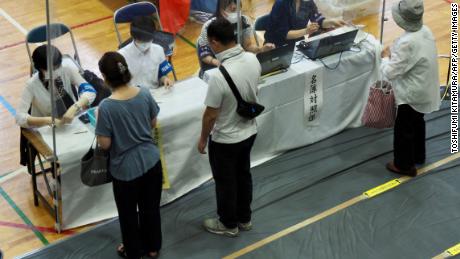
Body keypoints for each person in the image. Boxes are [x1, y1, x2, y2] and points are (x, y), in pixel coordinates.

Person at [197, 18, 261, 237]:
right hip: (249, 131)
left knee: (226, 183)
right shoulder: (253, 59)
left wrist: (203, 138)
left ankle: (228, 223)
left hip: (226, 140)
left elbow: (210, 115)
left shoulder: (218, 77)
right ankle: (245, 218)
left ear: (215, 43)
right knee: (244, 175)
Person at [96, 52, 163, 259]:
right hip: (152, 162)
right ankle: (152, 247)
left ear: (105, 78)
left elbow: (105, 144)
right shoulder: (143, 93)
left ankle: (133, 251)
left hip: (126, 171)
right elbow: (153, 123)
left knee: (128, 215)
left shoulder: (106, 107)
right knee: (150, 209)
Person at [382, 0, 440, 176]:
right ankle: (418, 155)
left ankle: (404, 165)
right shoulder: (426, 31)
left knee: (404, 128)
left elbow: (391, 73)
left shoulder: (407, 42)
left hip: (412, 93)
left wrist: (384, 58)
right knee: (418, 122)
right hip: (426, 88)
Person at [15, 44, 96, 128]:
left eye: (58, 66)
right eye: (52, 69)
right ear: (41, 68)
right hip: (48, 128)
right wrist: (47, 120)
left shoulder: (67, 69)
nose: (57, 71)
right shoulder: (31, 85)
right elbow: (19, 117)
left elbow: (90, 91)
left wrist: (75, 107)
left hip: (73, 121)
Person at [196, 0, 274, 78]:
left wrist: (261, 49)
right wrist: (218, 63)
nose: (233, 6)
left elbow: (248, 45)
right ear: (221, 8)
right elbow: (204, 54)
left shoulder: (244, 21)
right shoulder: (209, 26)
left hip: (235, 64)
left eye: (235, 2)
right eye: (229, 3)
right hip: (215, 68)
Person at [119, 15, 174, 90]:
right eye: (141, 40)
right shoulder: (121, 56)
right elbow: (120, 85)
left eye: (148, 39)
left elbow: (161, 75)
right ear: (133, 36)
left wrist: (164, 79)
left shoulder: (159, 50)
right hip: (133, 97)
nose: (145, 44)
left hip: (156, 93)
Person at [264, 0, 346, 48]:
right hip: (276, 46)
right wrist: (306, 31)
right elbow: (284, 34)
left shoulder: (308, 2)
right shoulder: (281, 3)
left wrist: (332, 21)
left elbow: (319, 21)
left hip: (297, 44)